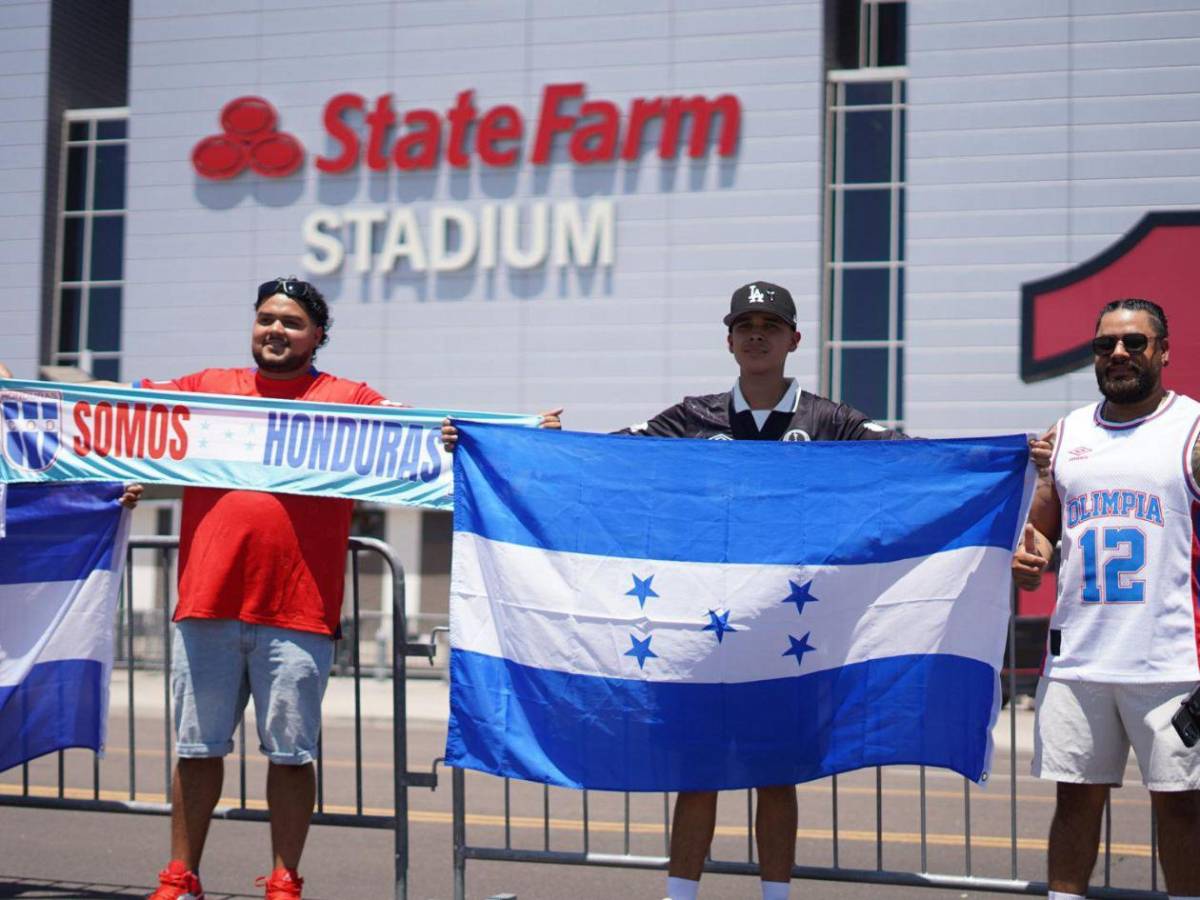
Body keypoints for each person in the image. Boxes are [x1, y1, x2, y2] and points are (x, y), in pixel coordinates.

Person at [616, 281, 906, 900]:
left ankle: (776, 896)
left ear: (793, 340)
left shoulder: (828, 420)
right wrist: (525, 437)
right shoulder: (693, 417)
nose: (756, 336)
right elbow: (604, 454)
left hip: (789, 630)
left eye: (769, 327)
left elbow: (915, 459)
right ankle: (680, 896)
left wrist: (1008, 457)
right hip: (709, 626)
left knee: (776, 775)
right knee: (699, 772)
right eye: (744, 326)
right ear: (728, 341)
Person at [1012, 298, 1200, 900]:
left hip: (1172, 662)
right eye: (1104, 345)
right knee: (1074, 802)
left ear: (1163, 351)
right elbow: (1043, 525)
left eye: (1134, 342)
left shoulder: (1193, 428)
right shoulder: (1067, 433)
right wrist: (1032, 554)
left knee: (1181, 809)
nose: (1118, 353)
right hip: (1080, 660)